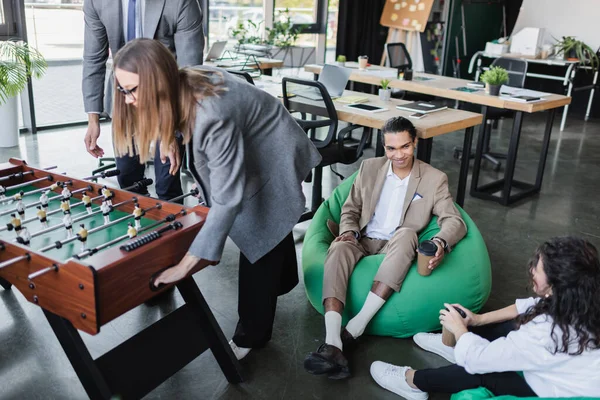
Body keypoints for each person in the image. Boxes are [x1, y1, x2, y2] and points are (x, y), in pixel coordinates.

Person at [110, 39, 321, 360]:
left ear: (157, 80)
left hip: (274, 147)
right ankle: (283, 280)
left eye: (133, 90)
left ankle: (252, 337)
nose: (127, 100)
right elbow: (173, 114)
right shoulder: (179, 81)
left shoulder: (212, 116)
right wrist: (170, 139)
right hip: (253, 136)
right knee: (267, 222)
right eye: (123, 90)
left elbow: (226, 201)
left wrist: (186, 266)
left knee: (259, 227)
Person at [304, 117, 467, 380]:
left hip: (396, 245)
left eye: (405, 147)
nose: (398, 155)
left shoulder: (434, 179)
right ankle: (334, 341)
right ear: (384, 146)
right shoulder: (369, 167)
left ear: (415, 143)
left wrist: (439, 242)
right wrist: (348, 232)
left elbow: (454, 220)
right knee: (338, 248)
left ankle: (356, 327)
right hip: (362, 238)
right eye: (391, 149)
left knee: (405, 235)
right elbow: (350, 208)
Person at [370, 236, 600, 399]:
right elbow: (527, 307)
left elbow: (478, 360)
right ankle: (455, 347)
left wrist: (459, 330)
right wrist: (476, 320)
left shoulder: (546, 332)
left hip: (563, 391)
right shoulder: (582, 298)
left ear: (554, 285)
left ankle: (413, 382)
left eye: (538, 269)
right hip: (576, 371)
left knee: (484, 372)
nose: (532, 270)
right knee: (521, 319)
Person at [82, 0, 205, 201]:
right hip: (125, 94)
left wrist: (171, 131)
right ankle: (137, 229)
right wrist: (93, 120)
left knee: (168, 184)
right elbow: (93, 59)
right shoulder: (96, 2)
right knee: (128, 181)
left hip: (167, 98)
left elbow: (189, 71)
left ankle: (172, 230)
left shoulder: (181, 2)